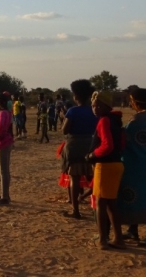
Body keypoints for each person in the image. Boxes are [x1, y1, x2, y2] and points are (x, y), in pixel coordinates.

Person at [120, 88, 146, 246]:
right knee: (141, 196)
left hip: (135, 164)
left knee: (143, 198)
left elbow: (126, 138)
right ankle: (133, 229)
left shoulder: (138, 119)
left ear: (135, 102)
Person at [86, 91, 126, 250]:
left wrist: (92, 155)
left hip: (105, 166)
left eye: (98, 105)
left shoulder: (104, 121)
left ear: (106, 106)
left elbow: (107, 146)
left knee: (101, 204)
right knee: (111, 204)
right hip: (117, 164)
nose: (95, 109)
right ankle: (118, 238)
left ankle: (102, 239)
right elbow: (121, 144)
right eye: (93, 106)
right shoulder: (116, 120)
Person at [60, 80, 97, 219]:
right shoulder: (94, 110)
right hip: (90, 144)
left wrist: (64, 118)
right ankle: (95, 206)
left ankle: (75, 210)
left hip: (74, 145)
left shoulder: (72, 111)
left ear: (76, 96)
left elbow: (64, 130)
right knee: (92, 177)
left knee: (74, 179)